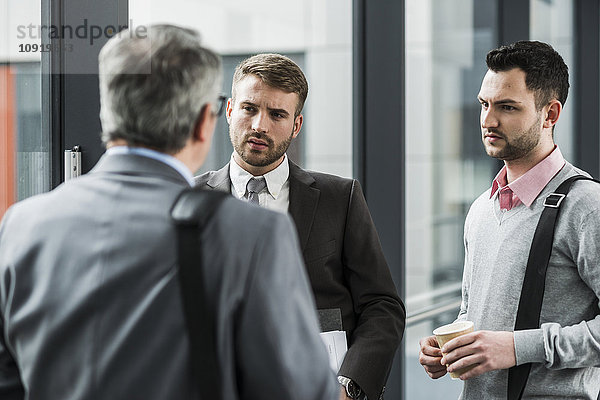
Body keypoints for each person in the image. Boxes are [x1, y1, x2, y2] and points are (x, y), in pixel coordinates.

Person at [0, 25, 341, 400]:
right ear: (203, 124)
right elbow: (302, 391)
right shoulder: (250, 233)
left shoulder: (22, 225)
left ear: (106, 112)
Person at [195, 53, 405, 400]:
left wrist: (349, 387)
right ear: (230, 110)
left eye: (277, 114)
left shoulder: (340, 198)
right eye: (250, 108)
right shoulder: (188, 199)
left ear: (296, 125)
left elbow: (382, 305)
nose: (260, 125)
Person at [419, 40, 600, 399]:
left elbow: (510, 342)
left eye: (507, 107)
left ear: (550, 114)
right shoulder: (481, 209)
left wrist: (518, 348)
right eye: (484, 104)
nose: (488, 120)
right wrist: (450, 343)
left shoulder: (587, 206)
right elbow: (475, 312)